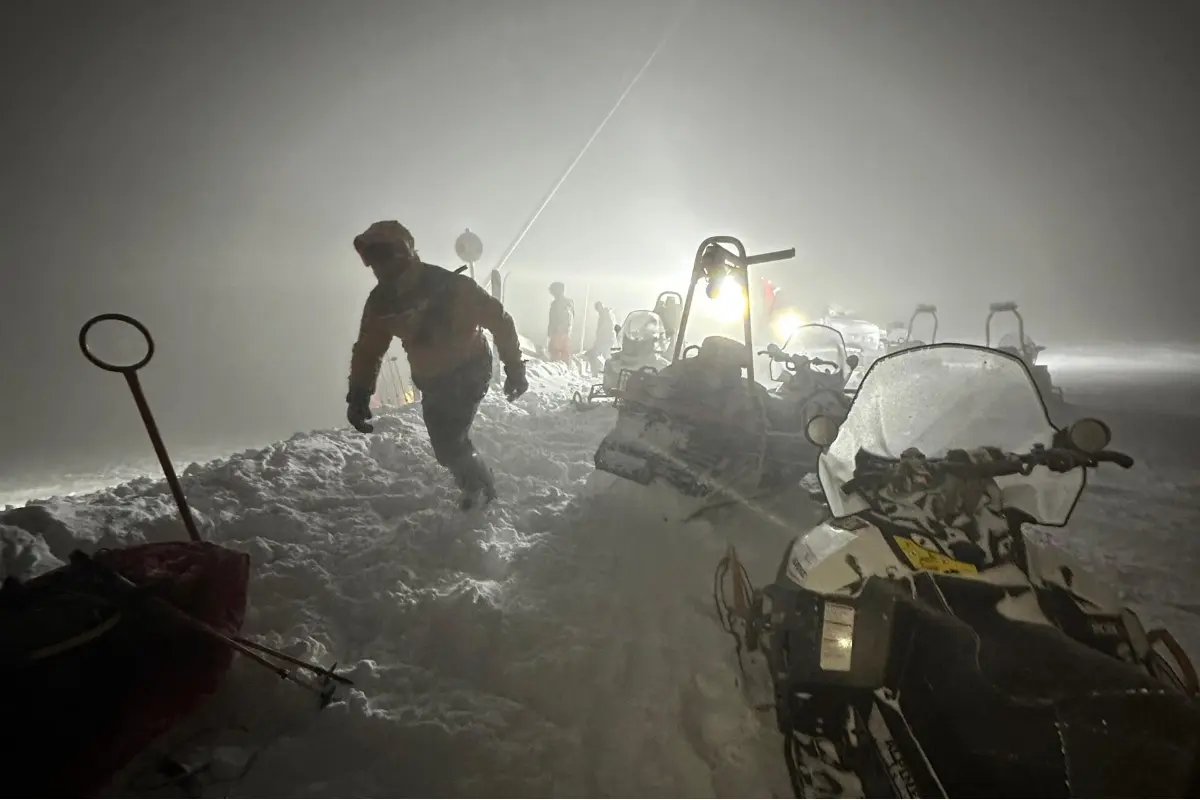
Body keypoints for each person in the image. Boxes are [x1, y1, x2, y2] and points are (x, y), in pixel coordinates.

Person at [345, 220, 528, 508]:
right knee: (444, 446)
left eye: (381, 257)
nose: (376, 268)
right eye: (371, 260)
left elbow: (500, 321)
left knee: (450, 441)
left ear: (401, 253)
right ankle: (472, 480)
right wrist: (358, 395)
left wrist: (515, 368)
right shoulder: (381, 304)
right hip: (432, 381)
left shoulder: (451, 288)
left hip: (468, 371)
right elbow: (368, 350)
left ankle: (480, 492)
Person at [585, 301, 617, 374]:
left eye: (598, 309)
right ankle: (606, 370)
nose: (598, 311)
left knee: (604, 354)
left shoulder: (606, 314)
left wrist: (600, 338)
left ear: (601, 307)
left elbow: (606, 328)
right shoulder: (605, 314)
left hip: (607, 339)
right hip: (606, 338)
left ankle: (605, 371)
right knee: (605, 354)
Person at [546, 282, 575, 362]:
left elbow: (555, 318)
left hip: (559, 331)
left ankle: (559, 367)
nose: (552, 293)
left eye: (553, 291)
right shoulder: (569, 303)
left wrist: (555, 329)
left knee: (555, 351)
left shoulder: (558, 304)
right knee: (563, 351)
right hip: (564, 331)